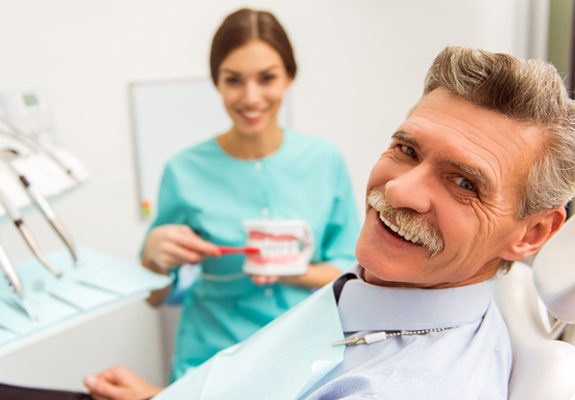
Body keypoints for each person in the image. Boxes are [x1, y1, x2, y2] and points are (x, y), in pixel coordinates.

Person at [84, 46, 575, 399]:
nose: (399, 190)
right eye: (406, 149)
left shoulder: (397, 381)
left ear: (531, 233)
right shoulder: (382, 288)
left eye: (464, 183)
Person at [139, 7, 360, 382]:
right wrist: (152, 260)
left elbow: (353, 272)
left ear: (289, 76)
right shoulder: (183, 170)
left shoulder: (324, 160)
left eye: (267, 78)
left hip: (305, 359)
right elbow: (156, 296)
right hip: (210, 364)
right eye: (234, 80)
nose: (251, 96)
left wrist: (296, 272)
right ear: (216, 82)